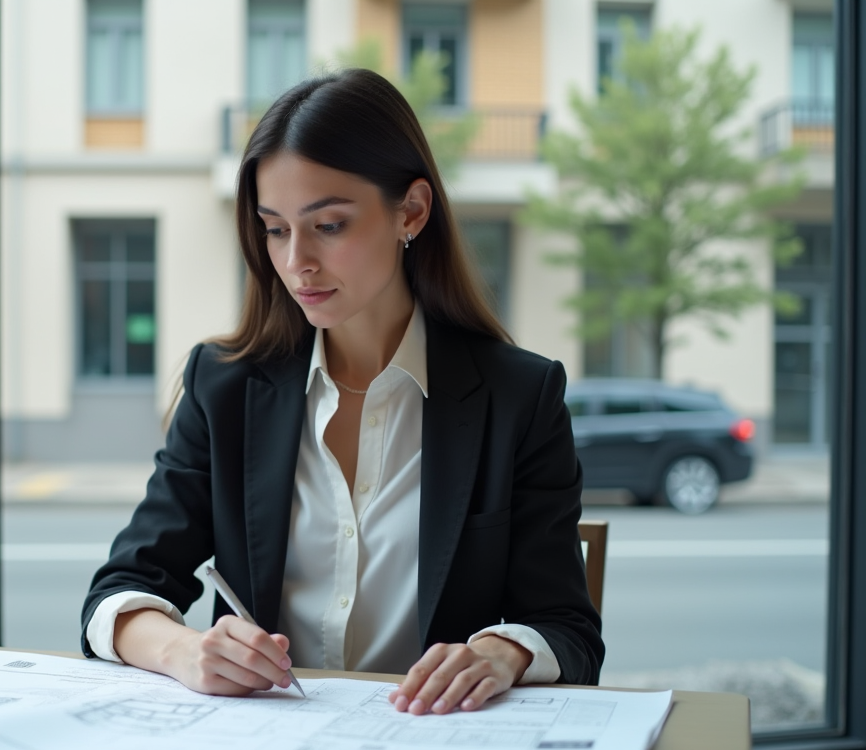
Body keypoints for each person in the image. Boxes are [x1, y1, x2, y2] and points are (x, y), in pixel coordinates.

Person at [82, 68, 602, 716]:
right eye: (275, 228)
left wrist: (502, 652)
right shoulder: (226, 386)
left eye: (328, 225)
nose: (297, 259)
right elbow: (118, 594)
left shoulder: (518, 397)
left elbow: (569, 633)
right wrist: (185, 652)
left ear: (410, 211)